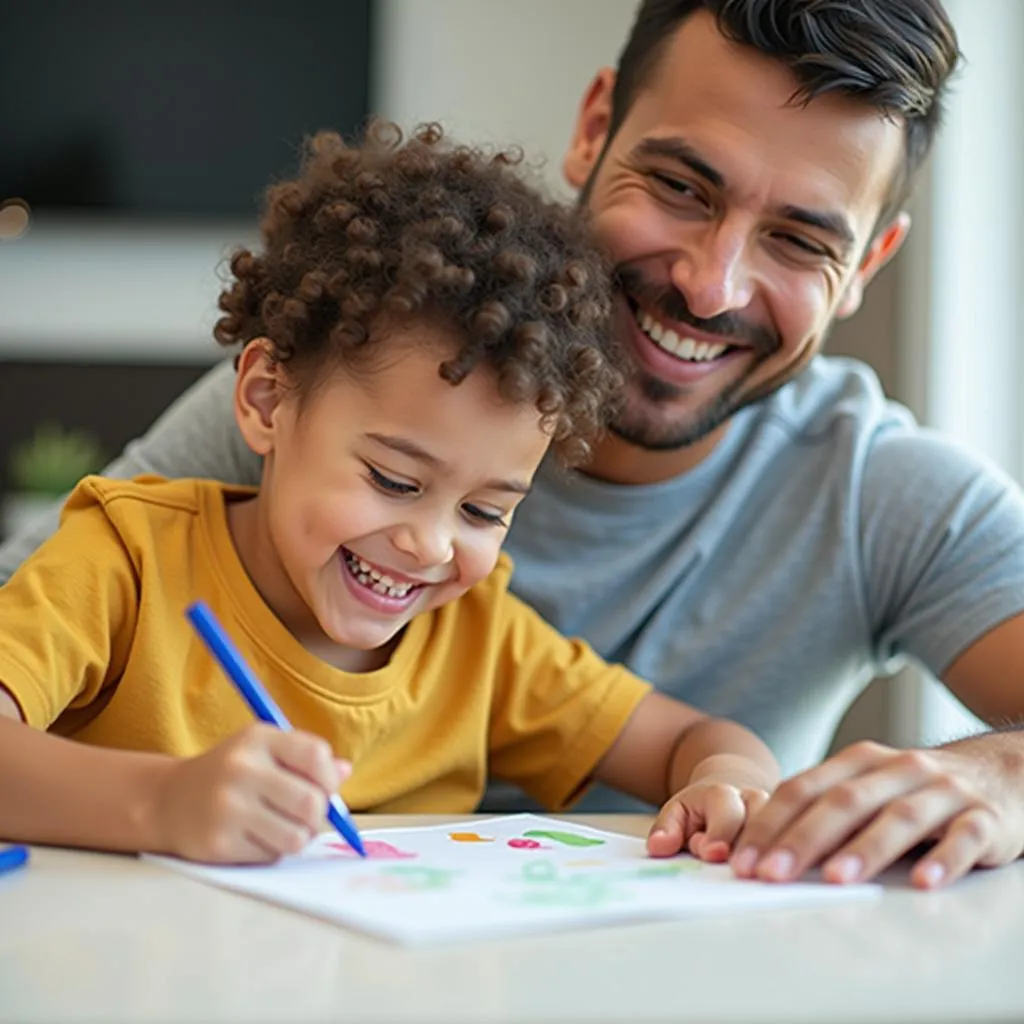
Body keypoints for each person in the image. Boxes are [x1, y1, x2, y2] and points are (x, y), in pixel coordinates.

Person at [2, 1, 1022, 890]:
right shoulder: (307, 399)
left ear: (864, 267)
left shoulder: (888, 500)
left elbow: (693, 744)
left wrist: (985, 775)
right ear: (593, 130)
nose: (712, 286)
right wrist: (159, 800)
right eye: (679, 185)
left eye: (800, 239)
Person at [0, 123, 779, 865]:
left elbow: (697, 741)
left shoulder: (482, 641)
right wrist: (163, 804)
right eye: (394, 481)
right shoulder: (126, 560)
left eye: (484, 511)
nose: (431, 544)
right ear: (269, 399)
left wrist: (731, 785)